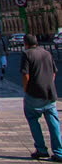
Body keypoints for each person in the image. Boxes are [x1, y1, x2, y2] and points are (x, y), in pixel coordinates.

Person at [20, 33, 62, 161]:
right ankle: (59, 152)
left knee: (33, 119)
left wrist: (26, 89)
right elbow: (54, 73)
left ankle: (41, 149)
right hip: (50, 93)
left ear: (25, 43)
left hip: (34, 93)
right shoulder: (47, 53)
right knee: (54, 122)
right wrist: (49, 84)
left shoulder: (27, 54)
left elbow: (25, 75)